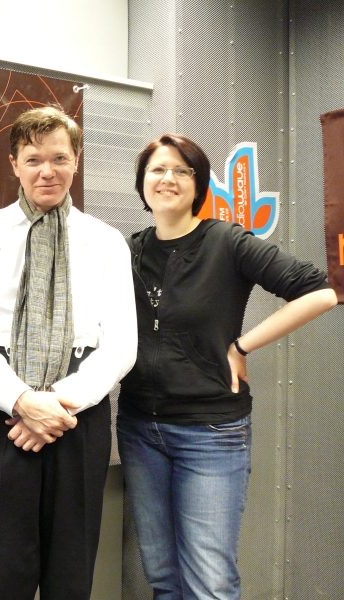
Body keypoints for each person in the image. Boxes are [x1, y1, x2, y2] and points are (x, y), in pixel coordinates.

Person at [116, 133, 338, 600]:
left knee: (210, 583)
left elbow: (321, 292)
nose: (168, 179)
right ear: (142, 183)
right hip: (139, 429)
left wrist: (242, 346)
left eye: (181, 170)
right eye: (157, 170)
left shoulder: (226, 241)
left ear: (198, 183)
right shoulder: (129, 250)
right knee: (162, 575)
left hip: (210, 433)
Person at [0, 105, 138, 600]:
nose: (47, 171)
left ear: (77, 159)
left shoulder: (106, 241)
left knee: (69, 572)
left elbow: (122, 342)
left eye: (59, 158)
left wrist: (57, 403)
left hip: (78, 412)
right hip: (0, 409)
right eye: (33, 160)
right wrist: (22, 401)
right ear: (14, 163)